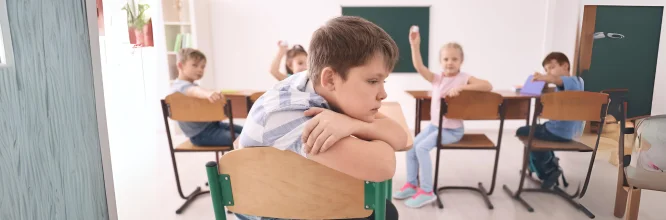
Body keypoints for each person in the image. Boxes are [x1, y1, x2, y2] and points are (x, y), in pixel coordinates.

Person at [236, 16, 406, 220]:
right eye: (372, 81)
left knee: (378, 207)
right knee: (381, 211)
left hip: (297, 192)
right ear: (330, 79)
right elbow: (385, 167)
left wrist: (352, 124)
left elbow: (400, 137)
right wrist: (364, 127)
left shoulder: (312, 82)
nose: (383, 94)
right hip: (273, 210)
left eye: (383, 81)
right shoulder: (293, 115)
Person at [392, 26, 493, 208]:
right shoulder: (437, 78)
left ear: (461, 61)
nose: (449, 62)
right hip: (435, 126)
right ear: (441, 61)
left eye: (454, 59)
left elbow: (487, 85)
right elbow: (419, 67)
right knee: (411, 147)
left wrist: (462, 87)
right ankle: (411, 184)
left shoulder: (464, 78)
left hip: (453, 131)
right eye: (446, 59)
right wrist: (415, 46)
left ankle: (427, 191)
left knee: (421, 148)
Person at [514, 52, 584, 189]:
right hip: (571, 132)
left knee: (524, 132)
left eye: (551, 67)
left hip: (557, 131)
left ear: (565, 66)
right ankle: (551, 163)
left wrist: (544, 78)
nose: (548, 72)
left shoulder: (573, 81)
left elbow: (558, 80)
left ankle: (548, 170)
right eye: (546, 70)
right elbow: (558, 83)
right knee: (535, 129)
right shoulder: (576, 84)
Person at [170, 48, 243, 146]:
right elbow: (193, 91)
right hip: (200, 134)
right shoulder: (179, 87)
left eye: (203, 67)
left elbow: (194, 90)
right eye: (194, 65)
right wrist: (207, 93)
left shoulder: (191, 85)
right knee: (242, 140)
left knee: (246, 133)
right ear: (180, 65)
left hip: (213, 126)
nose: (200, 69)